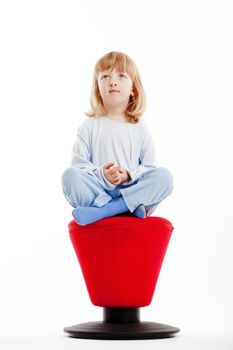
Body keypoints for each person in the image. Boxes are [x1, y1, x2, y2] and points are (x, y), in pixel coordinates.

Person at [61, 51, 173, 225]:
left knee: (164, 177)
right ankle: (122, 208)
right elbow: (80, 166)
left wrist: (128, 176)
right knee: (69, 176)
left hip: (133, 190)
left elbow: (149, 168)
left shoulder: (141, 130)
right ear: (98, 88)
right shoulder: (88, 127)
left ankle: (107, 210)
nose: (112, 81)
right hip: (99, 193)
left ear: (133, 90)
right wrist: (102, 175)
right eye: (105, 76)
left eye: (121, 76)